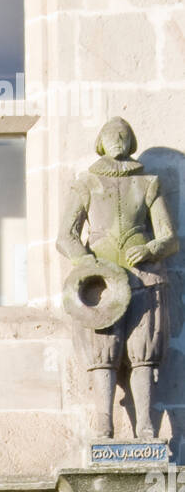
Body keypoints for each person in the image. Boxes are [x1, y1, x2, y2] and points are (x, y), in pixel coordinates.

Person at [57, 117, 178, 439]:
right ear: (100, 141)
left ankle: (146, 426)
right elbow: (65, 236)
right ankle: (103, 423)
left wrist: (152, 248)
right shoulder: (87, 183)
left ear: (131, 141)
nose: (118, 138)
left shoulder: (147, 182)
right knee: (103, 355)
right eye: (112, 134)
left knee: (143, 354)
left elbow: (170, 237)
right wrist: (87, 265)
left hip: (145, 278)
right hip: (101, 282)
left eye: (124, 134)